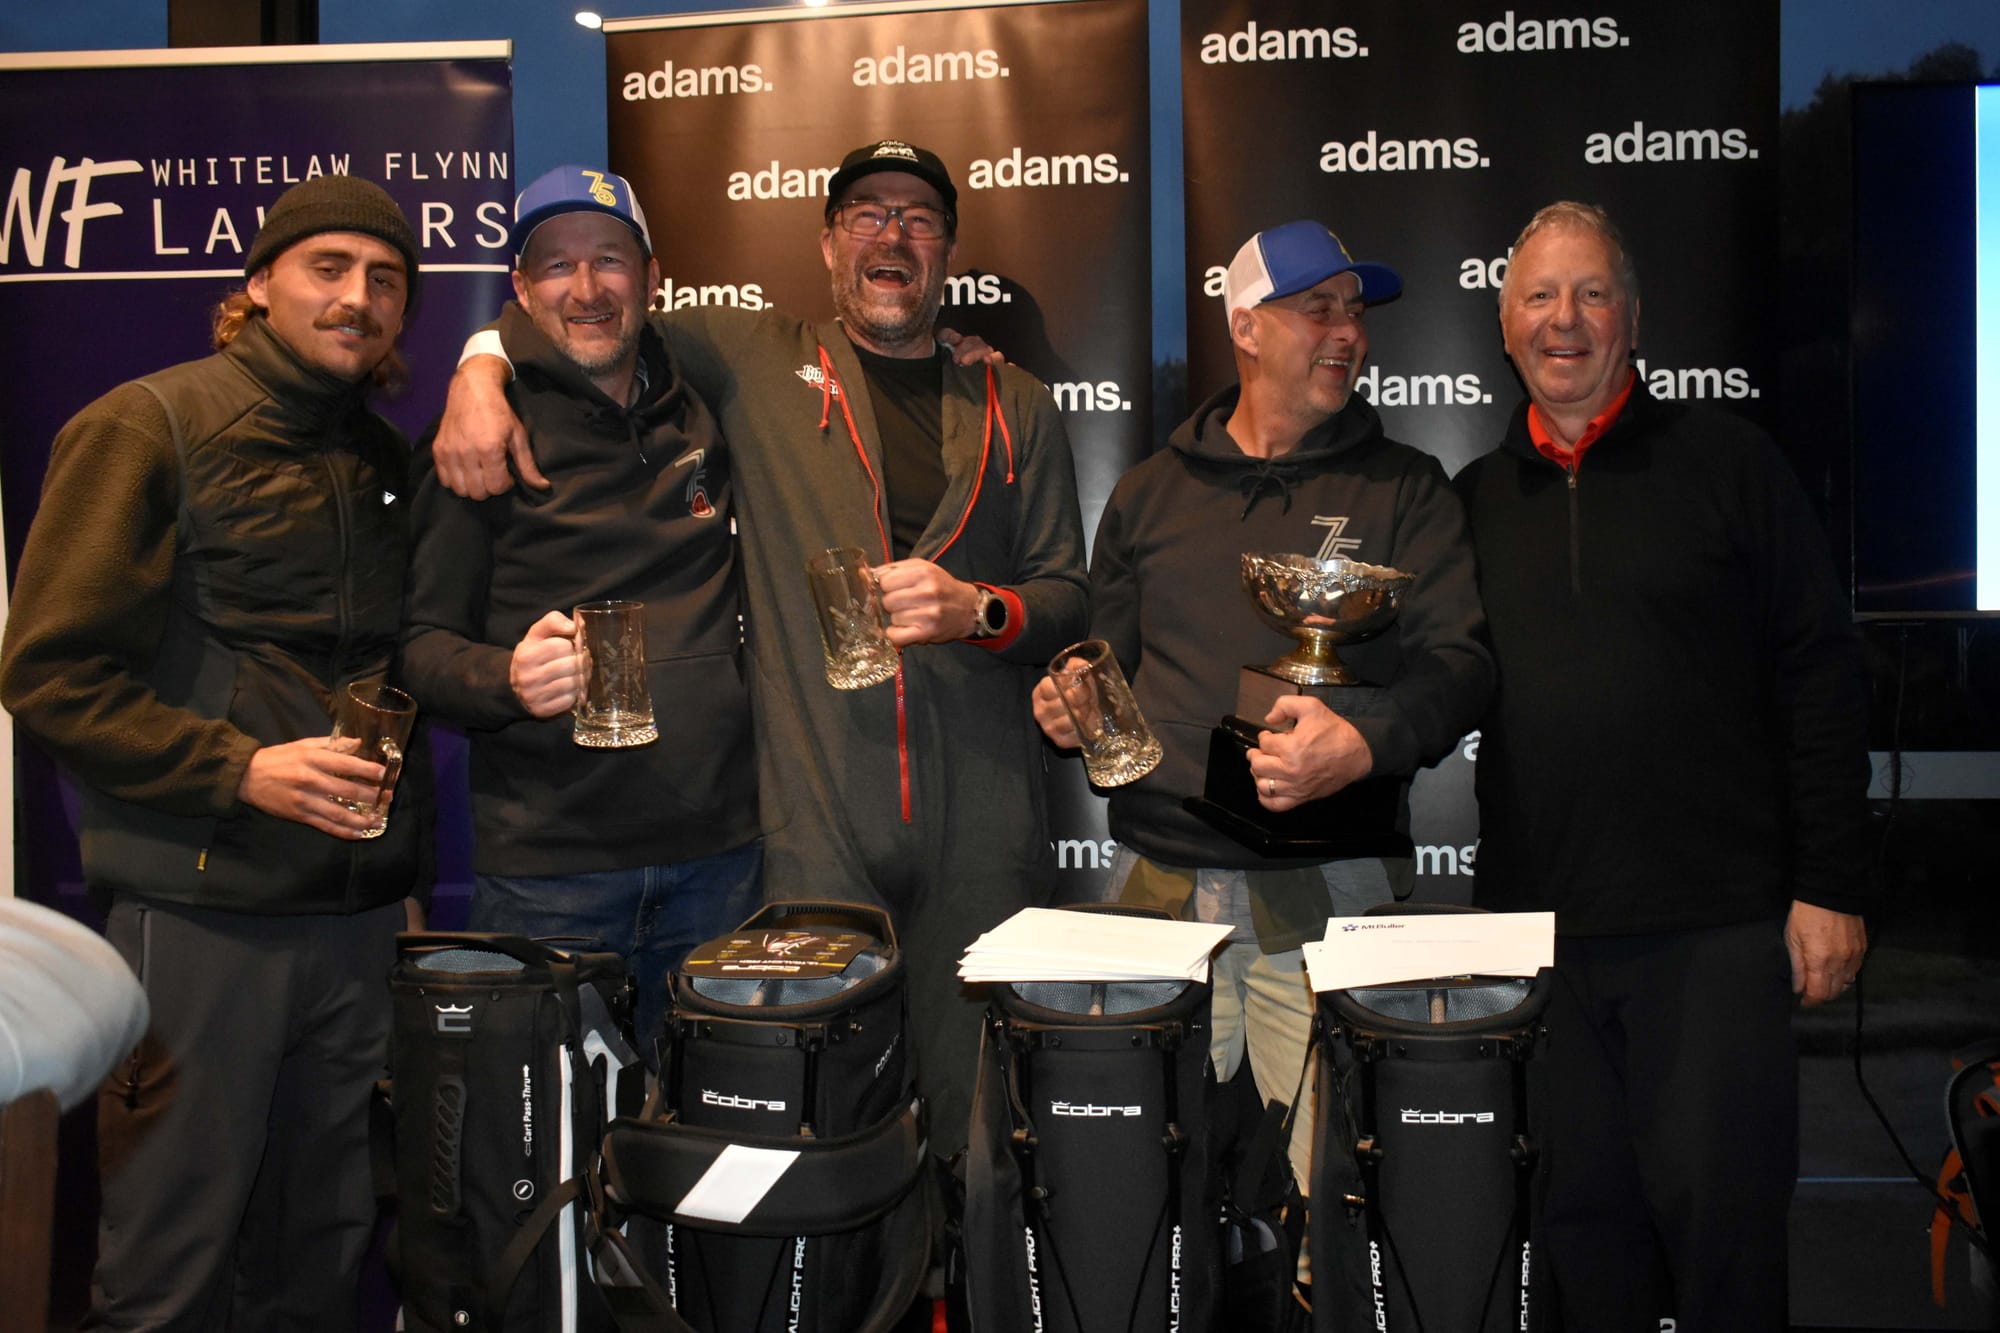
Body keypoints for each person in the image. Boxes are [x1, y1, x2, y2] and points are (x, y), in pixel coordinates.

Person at [430, 139, 1087, 1153]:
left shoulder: (1017, 405)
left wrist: (980, 610)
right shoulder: (750, 355)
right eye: (865, 214)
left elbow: (1063, 593)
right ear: (827, 244)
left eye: (917, 219)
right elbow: (582, 317)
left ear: (947, 251)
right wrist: (478, 367)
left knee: (979, 1116)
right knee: (809, 1114)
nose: (891, 236)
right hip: (810, 823)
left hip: (980, 814)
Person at [0, 175, 429, 1331]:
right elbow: (47, 674)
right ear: (255, 287)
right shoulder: (148, 423)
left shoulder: (391, 463)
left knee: (321, 1256)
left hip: (348, 924)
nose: (358, 297)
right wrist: (237, 769)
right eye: (327, 268)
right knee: (169, 1263)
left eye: (385, 280)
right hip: (197, 918)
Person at [1031, 219, 1492, 1252]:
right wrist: (1070, 699)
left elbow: (1458, 669)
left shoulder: (1404, 488)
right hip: (1161, 897)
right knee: (1139, 1208)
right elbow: (1102, 663)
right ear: (1244, 325)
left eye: (1355, 312)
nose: (1346, 333)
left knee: (1349, 1206)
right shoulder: (1150, 493)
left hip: (1323, 897)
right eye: (1316, 308)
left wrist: (1362, 739)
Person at [1453, 201, 1873, 1330]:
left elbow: (1820, 674)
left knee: (1726, 1245)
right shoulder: (1469, 505)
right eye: (1538, 296)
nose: (1565, 320)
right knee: (1578, 1245)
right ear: (1503, 327)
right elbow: (1411, 689)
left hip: (1715, 935)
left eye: (1591, 294)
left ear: (1632, 318)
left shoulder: (1728, 465)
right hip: (1539, 942)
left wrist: (1828, 882)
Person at [400, 165, 759, 1056]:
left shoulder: (708, 407)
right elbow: (416, 649)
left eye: (611, 260)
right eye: (556, 267)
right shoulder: (484, 437)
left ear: (652, 277)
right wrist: (506, 678)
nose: (588, 288)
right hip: (552, 874)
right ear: (520, 290)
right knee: (548, 1168)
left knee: (715, 1153)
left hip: (722, 860)